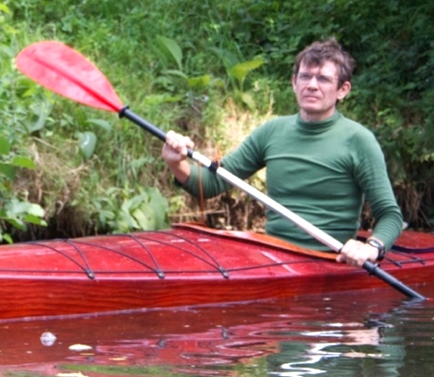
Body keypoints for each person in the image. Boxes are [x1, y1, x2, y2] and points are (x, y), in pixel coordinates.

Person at [161, 38, 401, 269]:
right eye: (305, 76)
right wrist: (176, 164)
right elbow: (211, 183)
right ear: (294, 82)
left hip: (327, 260)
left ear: (343, 90)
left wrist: (371, 247)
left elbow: (390, 215)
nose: (312, 85)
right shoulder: (272, 132)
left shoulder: (358, 140)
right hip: (274, 258)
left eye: (324, 79)